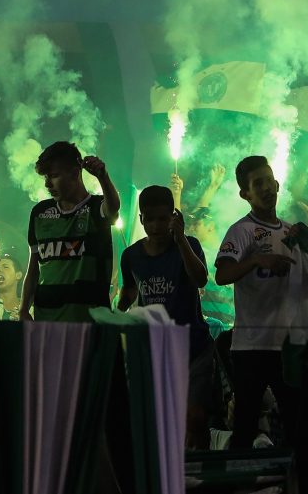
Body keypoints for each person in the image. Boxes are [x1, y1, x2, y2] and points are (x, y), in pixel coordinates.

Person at [118, 185, 212, 449]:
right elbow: (129, 290)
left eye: (163, 218)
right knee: (161, 420)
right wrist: (116, 314)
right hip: (157, 349)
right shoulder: (131, 256)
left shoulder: (189, 245)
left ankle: (199, 478)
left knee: (195, 418)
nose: (157, 226)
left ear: (173, 217)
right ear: (141, 219)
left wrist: (181, 240)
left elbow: (200, 278)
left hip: (194, 346)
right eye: (150, 219)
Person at [214, 156, 298, 449]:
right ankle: (240, 483)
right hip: (250, 346)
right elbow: (222, 274)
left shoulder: (291, 232)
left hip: (287, 345)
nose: (266, 188)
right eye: (257, 184)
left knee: (297, 421)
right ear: (245, 194)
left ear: (278, 183)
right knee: (246, 423)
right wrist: (257, 260)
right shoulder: (242, 231)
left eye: (268, 180)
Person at [20, 142, 120, 322]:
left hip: (88, 322)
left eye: (54, 176)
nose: (48, 184)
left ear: (75, 173)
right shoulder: (39, 213)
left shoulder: (96, 207)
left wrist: (103, 177)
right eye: (45, 178)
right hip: (46, 320)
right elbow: (34, 268)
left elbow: (113, 207)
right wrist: (23, 310)